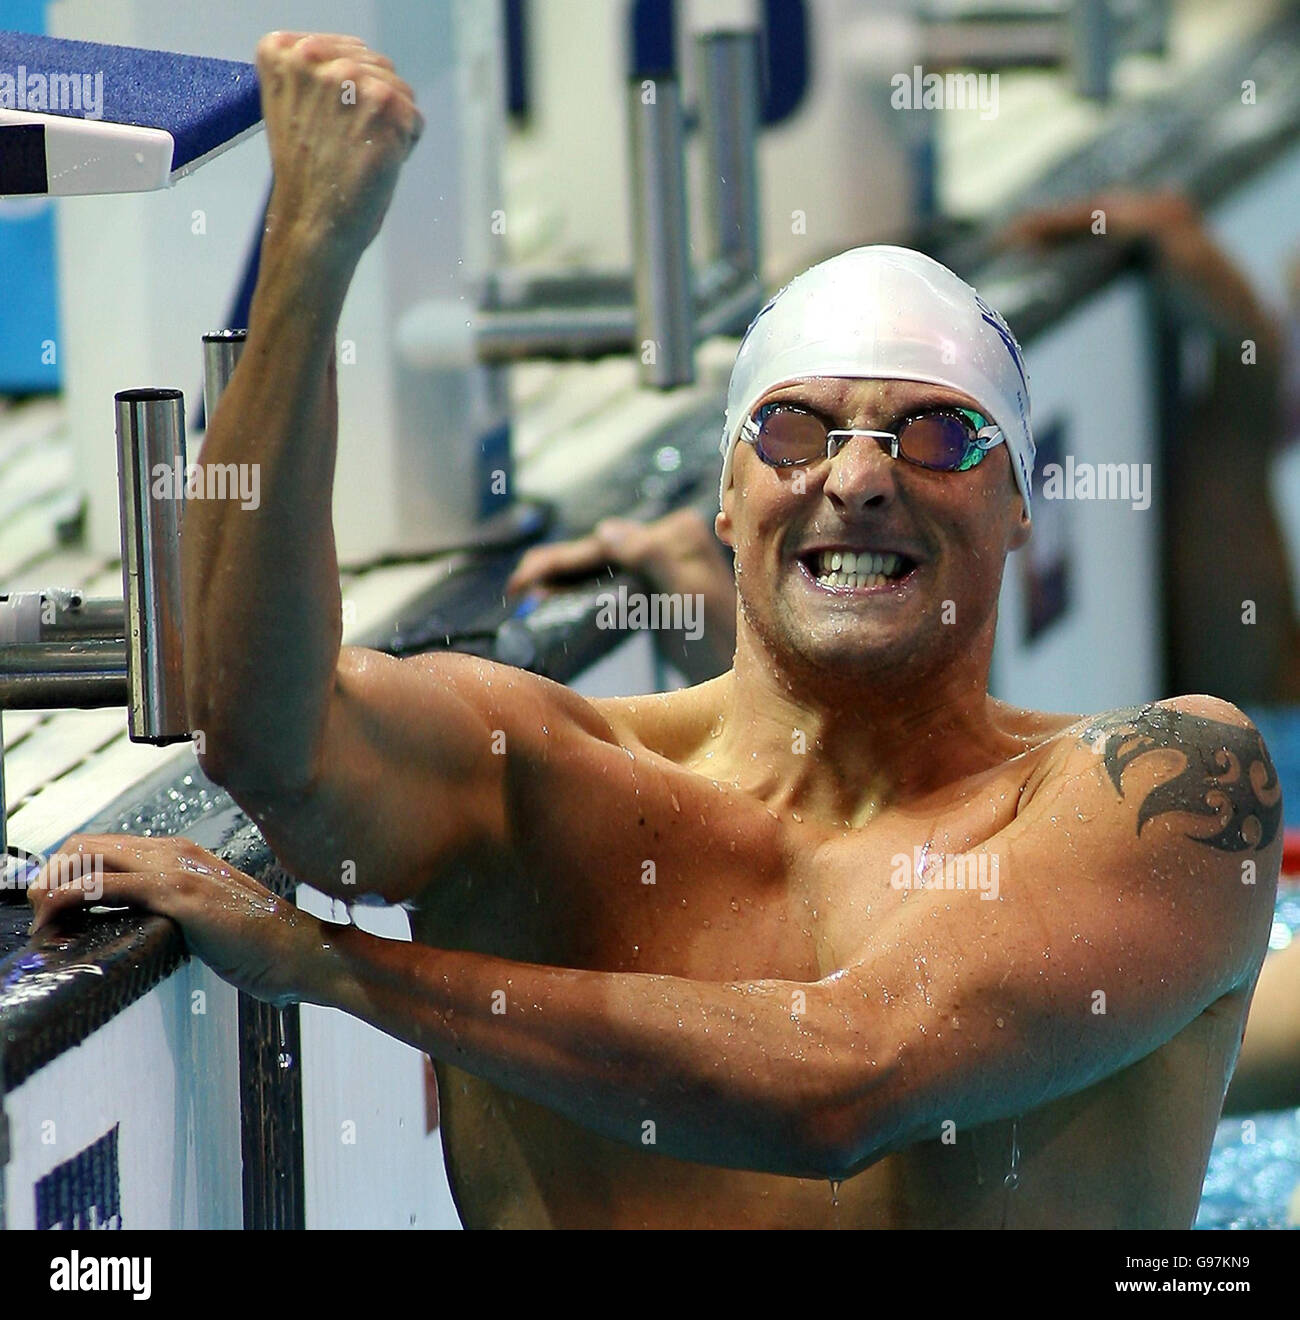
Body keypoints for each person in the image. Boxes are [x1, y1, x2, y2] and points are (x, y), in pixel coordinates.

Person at [29, 33, 1282, 1229]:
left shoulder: (1161, 789)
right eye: (793, 432)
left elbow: (842, 1083)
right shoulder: (543, 774)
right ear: (725, 506)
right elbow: (263, 730)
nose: (856, 479)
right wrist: (308, 254)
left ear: (1019, 509)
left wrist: (334, 966)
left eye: (938, 435)